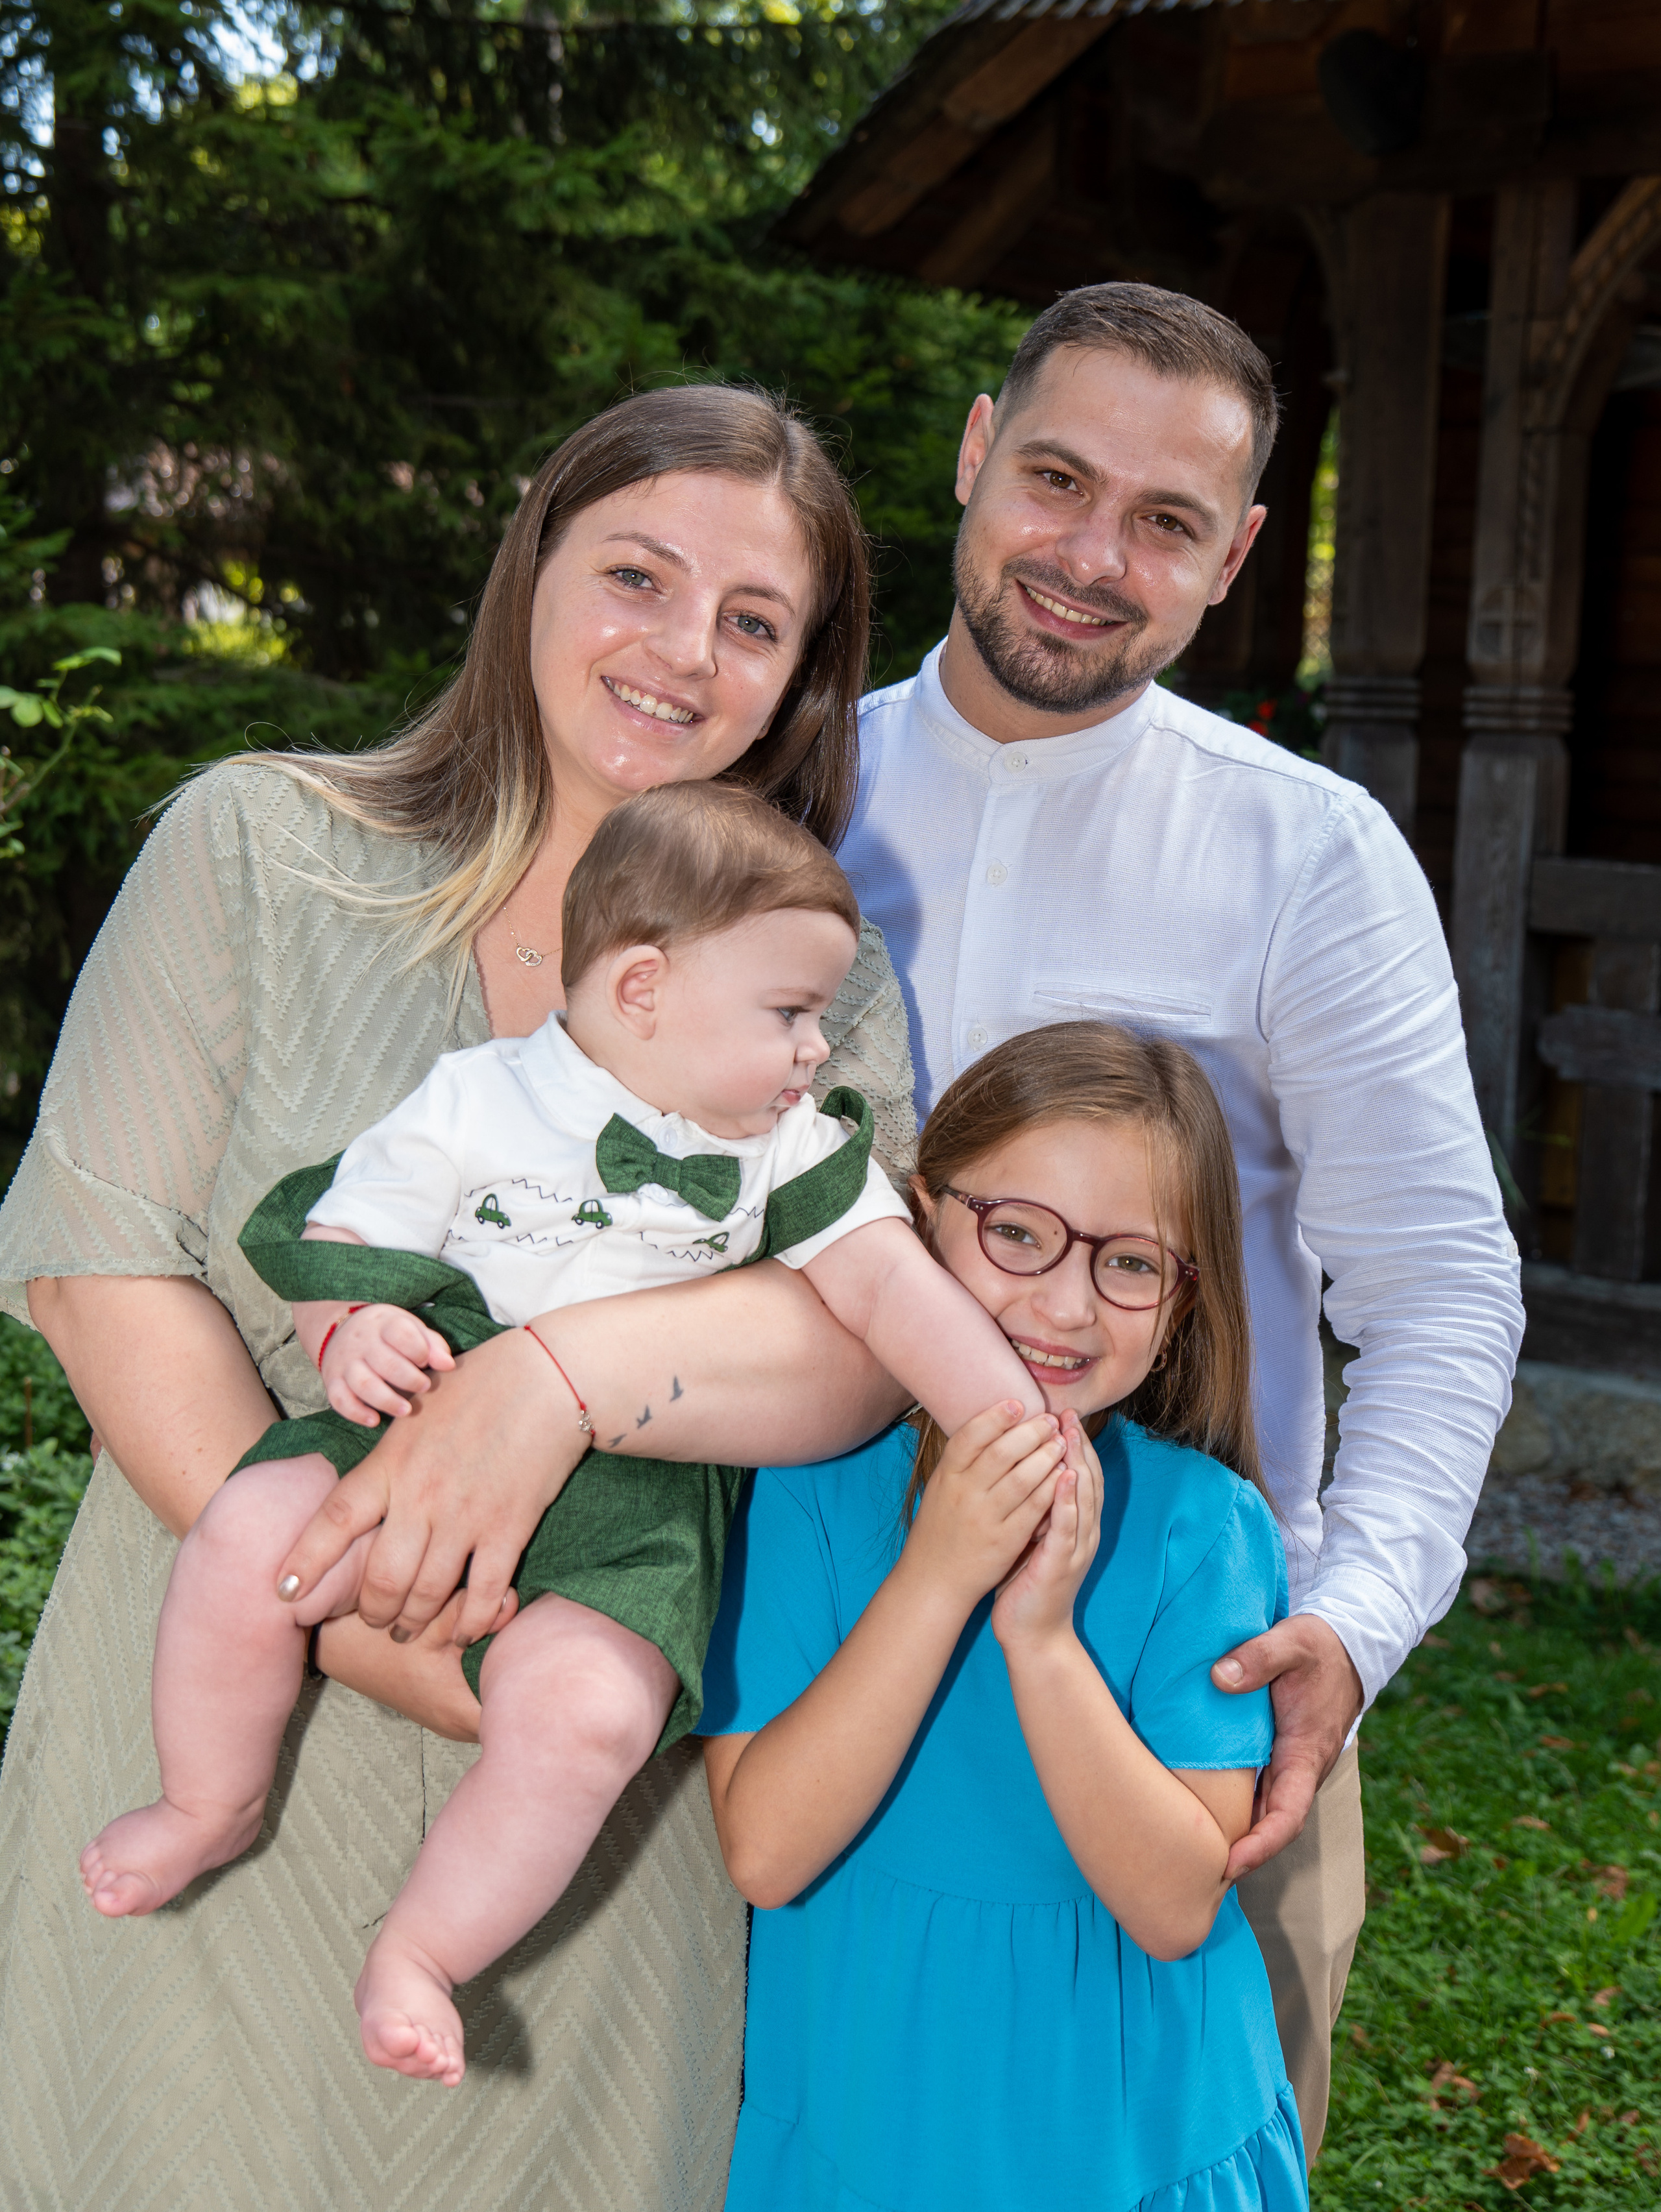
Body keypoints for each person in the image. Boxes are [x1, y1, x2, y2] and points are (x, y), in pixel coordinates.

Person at [1, 385, 920, 2207]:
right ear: (530, 564)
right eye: (636, 575)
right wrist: (358, 1622)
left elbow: (846, 1349)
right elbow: (102, 1280)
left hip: (572, 1836)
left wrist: (558, 1382)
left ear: (805, 674)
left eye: (754, 621)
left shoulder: (830, 981)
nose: (682, 650)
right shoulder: (253, 852)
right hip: (210, 1720)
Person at [834, 282, 1525, 2157]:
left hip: (1186, 1682)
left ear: (1234, 559)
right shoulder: (774, 793)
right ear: (976, 455)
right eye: (1056, 477)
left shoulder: (1308, 854)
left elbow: (1442, 1288)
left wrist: (1353, 1620)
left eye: (1163, 520)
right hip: (807, 1650)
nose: (1089, 555)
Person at [79, 783, 1043, 2094]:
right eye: (788, 1013)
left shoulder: (788, 1151)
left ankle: (423, 1949)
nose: (818, 1050)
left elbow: (889, 1292)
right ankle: (209, 1796)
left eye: (817, 1018)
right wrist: (351, 1318)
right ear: (642, 989)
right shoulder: (476, 1096)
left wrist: (1010, 1421)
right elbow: (348, 1229)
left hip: (637, 1504)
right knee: (248, 1535)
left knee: (588, 1717)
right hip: (428, 1418)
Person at [701, 1021, 1309, 2211]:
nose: (1066, 1304)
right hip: (869, 2132)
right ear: (922, 1220)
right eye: (1017, 1233)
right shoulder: (811, 1483)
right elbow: (766, 1852)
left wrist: (1039, 1637)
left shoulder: (1205, 1528)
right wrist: (938, 1577)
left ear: (1185, 1303)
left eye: (1131, 1262)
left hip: (1127, 2144)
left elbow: (1178, 1900)